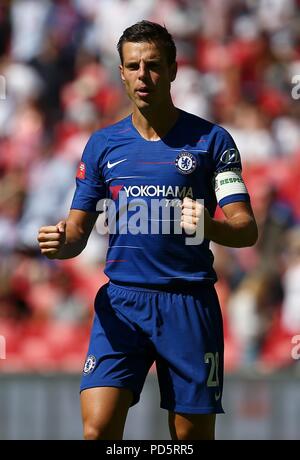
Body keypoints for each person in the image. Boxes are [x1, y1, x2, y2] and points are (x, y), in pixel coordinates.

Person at [37, 20, 258, 440]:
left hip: (187, 303)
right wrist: (61, 242)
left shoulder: (212, 141)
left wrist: (210, 226)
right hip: (122, 302)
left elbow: (246, 230)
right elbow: (77, 233)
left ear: (173, 69)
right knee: (98, 430)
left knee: (189, 440)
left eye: (154, 65)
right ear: (120, 72)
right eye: (133, 66)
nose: (144, 76)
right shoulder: (103, 145)